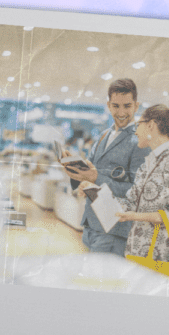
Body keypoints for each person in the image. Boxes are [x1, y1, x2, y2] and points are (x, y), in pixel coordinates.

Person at [81, 100, 169, 261]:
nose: (136, 132)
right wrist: (94, 191)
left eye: (138, 125)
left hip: (158, 256)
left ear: (151, 125)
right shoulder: (148, 163)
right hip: (135, 251)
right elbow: (130, 203)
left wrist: (137, 216)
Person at [64, 78, 150, 256]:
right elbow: (90, 171)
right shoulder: (104, 135)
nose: (121, 112)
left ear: (136, 106)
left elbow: (137, 191)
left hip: (114, 231)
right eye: (116, 106)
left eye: (127, 106)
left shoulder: (140, 142)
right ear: (108, 106)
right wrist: (77, 176)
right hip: (90, 225)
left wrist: (96, 178)